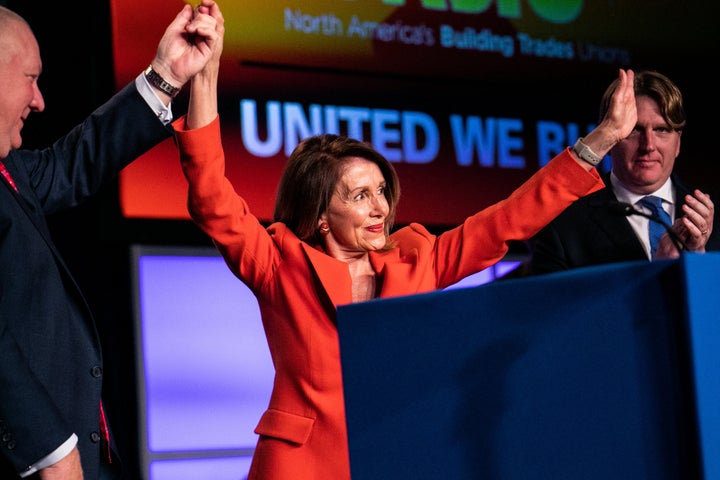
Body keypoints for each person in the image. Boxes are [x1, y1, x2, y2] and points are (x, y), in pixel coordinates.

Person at [175, 30, 641, 476]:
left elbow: (508, 219)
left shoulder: (418, 260)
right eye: (359, 197)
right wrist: (207, 71)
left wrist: (598, 142)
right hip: (301, 468)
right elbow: (211, 198)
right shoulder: (279, 263)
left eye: (381, 190)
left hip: (396, 458)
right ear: (320, 215)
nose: (379, 207)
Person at [0, 2, 222, 479]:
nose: (39, 101)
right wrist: (51, 450)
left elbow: (74, 162)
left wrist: (165, 75)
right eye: (30, 78)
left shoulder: (8, 169)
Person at [504, 70, 716, 278]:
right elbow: (557, 310)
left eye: (661, 130)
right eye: (634, 130)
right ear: (610, 139)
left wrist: (699, 262)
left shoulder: (713, 215)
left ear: (677, 142)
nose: (648, 145)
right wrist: (656, 275)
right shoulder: (563, 226)